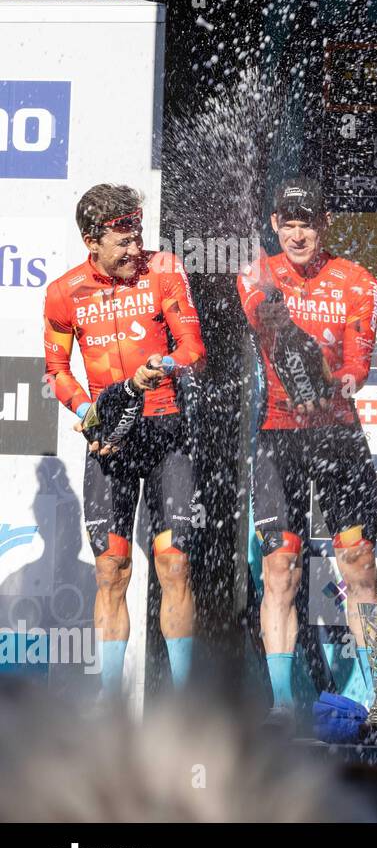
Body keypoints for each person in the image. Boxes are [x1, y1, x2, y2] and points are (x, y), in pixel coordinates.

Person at [42, 184, 205, 697]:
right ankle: (110, 697)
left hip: (165, 429)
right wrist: (90, 414)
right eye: (123, 242)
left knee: (173, 563)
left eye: (138, 237)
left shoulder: (164, 270)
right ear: (92, 241)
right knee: (112, 569)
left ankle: (182, 702)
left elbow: (194, 347)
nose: (136, 250)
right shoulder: (64, 292)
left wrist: (168, 365)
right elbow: (55, 370)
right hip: (109, 442)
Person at [237, 178, 377, 726]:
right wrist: (287, 328)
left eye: (308, 223)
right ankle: (280, 703)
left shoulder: (358, 281)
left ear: (325, 225)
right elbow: (261, 311)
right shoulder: (256, 271)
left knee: (359, 563)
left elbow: (357, 370)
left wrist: (330, 378)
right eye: (288, 223)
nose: (298, 234)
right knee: (281, 570)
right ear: (275, 224)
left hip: (338, 435)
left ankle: (373, 695)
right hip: (279, 437)